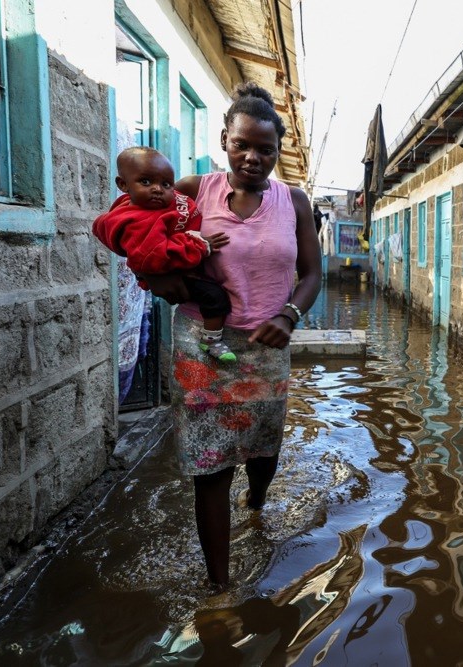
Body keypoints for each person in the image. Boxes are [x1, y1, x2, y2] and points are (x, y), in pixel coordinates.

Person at [142, 82, 322, 591]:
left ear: (277, 152)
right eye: (242, 144)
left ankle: (258, 500)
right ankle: (219, 587)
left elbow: (313, 273)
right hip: (202, 345)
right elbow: (134, 228)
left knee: (264, 451)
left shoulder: (294, 201)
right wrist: (152, 275)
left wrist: (290, 315)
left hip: (266, 347)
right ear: (225, 139)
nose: (252, 157)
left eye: (265, 149)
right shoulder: (193, 191)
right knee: (211, 466)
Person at [93, 147, 237, 362]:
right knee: (214, 296)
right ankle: (211, 340)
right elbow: (156, 256)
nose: (158, 189)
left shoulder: (157, 205)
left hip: (184, 266)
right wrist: (200, 245)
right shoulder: (137, 221)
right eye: (146, 182)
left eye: (166, 184)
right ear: (123, 185)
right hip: (174, 273)